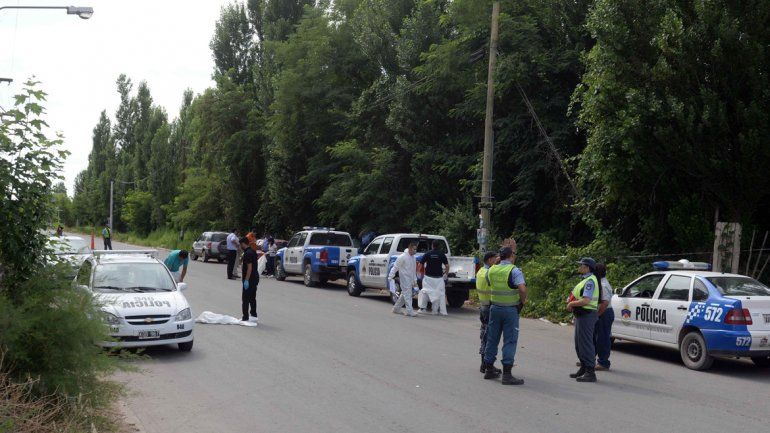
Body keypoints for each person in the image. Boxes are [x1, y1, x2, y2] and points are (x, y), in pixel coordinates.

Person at [483, 245, 527, 385]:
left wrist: (496, 263)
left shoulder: (491, 270)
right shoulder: (514, 270)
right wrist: (522, 301)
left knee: (492, 338)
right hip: (510, 310)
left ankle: (489, 369)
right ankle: (507, 374)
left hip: (494, 308)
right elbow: (522, 288)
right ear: (511, 256)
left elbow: (489, 282)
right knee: (510, 340)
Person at [567, 257, 601, 383]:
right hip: (582, 314)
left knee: (586, 343)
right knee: (579, 343)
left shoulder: (590, 281)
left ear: (587, 267)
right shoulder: (586, 279)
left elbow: (586, 300)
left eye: (581, 265)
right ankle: (583, 367)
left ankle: (590, 372)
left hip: (587, 315)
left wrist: (571, 304)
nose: (579, 267)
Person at [477, 251, 502, 375]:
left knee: (484, 334)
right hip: (489, 307)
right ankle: (486, 364)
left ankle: (484, 363)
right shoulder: (488, 273)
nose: (497, 260)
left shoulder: (481, 271)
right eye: (495, 259)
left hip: (483, 306)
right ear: (490, 260)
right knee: (489, 337)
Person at [418, 239, 449, 315]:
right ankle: (436, 311)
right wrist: (446, 274)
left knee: (425, 292)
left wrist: (419, 273)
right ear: (439, 246)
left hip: (428, 278)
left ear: (432, 245)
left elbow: (420, 265)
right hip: (438, 278)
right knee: (438, 293)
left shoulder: (427, 254)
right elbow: (447, 266)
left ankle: (423, 309)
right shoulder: (442, 254)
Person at [389, 241, 418, 317]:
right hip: (404, 279)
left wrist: (415, 281)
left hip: (410, 279)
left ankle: (396, 308)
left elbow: (413, 270)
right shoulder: (402, 257)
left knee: (404, 294)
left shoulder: (413, 258)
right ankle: (409, 311)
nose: (415, 251)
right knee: (407, 294)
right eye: (414, 249)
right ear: (409, 249)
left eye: (416, 249)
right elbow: (395, 267)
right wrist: (390, 276)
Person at [594, 263, 614, 371]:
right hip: (602, 312)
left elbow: (605, 303)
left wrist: (597, 315)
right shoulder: (599, 283)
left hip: (604, 313)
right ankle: (589, 360)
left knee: (603, 338)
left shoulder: (603, 285)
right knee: (595, 338)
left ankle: (603, 362)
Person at [240, 237, 259, 323]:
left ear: (243, 243)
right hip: (255, 278)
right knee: (252, 298)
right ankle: (254, 314)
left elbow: (249, 268)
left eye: (241, 244)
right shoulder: (253, 251)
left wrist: (246, 280)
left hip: (249, 279)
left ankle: (245, 317)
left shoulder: (247, 253)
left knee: (245, 299)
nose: (240, 246)